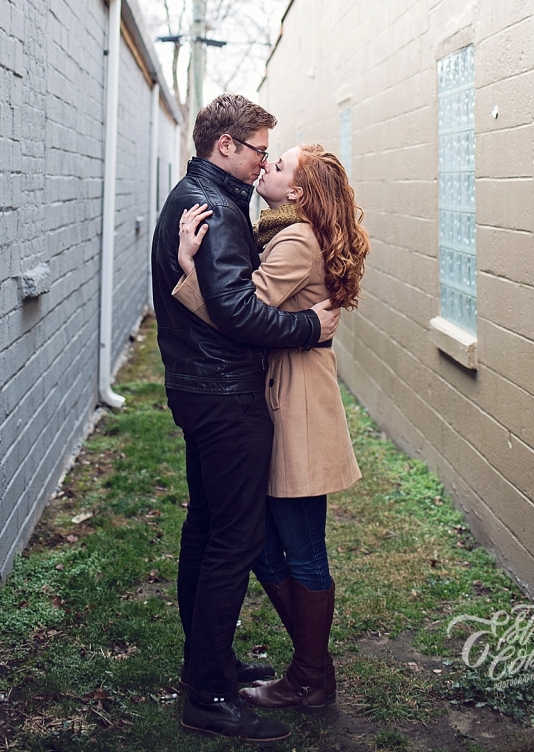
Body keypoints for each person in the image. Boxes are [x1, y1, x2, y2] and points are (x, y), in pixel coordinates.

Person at [151, 95, 340, 743]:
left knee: (209, 530)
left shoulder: (202, 200)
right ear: (225, 145)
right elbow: (240, 312)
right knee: (233, 541)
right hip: (225, 396)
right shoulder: (216, 209)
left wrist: (187, 271)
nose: (263, 163)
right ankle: (207, 691)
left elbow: (229, 300)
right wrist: (309, 326)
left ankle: (211, 666)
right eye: (260, 148)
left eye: (272, 155)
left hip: (202, 389)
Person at [174, 142, 369, 711]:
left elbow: (242, 315)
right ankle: (314, 669)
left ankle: (311, 675)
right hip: (284, 393)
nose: (267, 167)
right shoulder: (282, 231)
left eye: (279, 165)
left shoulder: (295, 239)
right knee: (261, 542)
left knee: (302, 549)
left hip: (299, 404)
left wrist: (190, 271)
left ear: (300, 192)